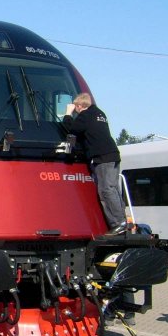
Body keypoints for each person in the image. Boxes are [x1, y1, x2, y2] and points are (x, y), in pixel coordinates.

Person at [62, 93, 126, 235]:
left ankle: (118, 223)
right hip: (113, 154)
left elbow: (71, 129)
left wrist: (67, 113)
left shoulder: (86, 115)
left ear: (79, 106)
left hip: (102, 157)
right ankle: (122, 220)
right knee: (114, 189)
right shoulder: (99, 113)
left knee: (105, 190)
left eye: (76, 107)